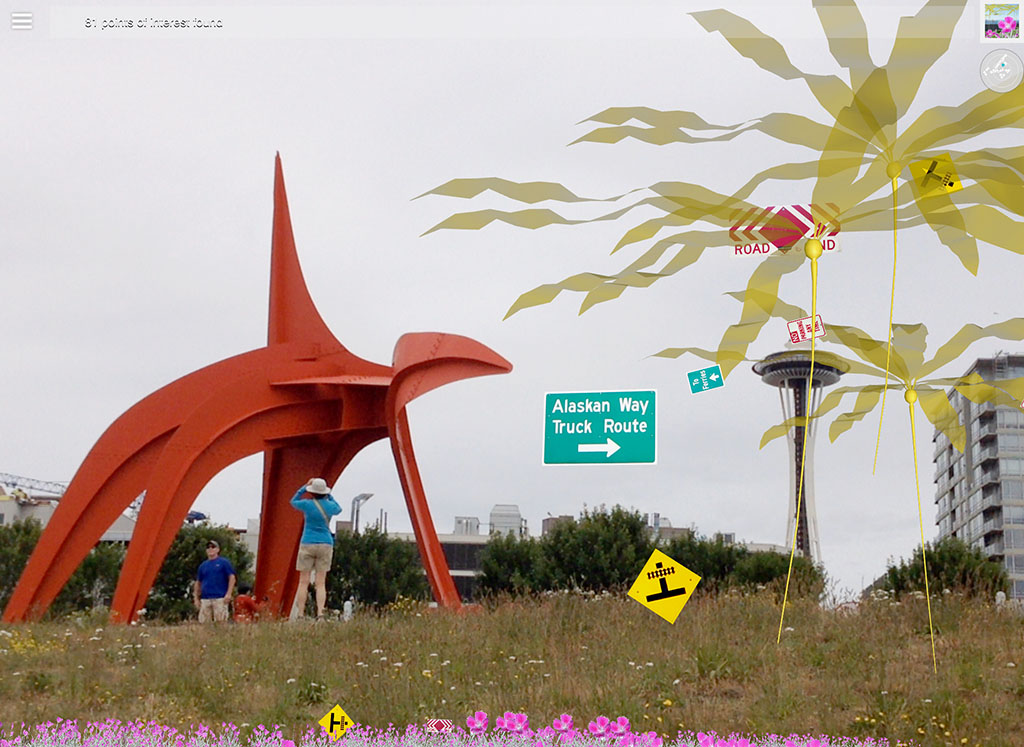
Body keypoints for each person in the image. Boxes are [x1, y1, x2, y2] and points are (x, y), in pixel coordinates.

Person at [289, 477, 341, 621]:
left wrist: (304, 487)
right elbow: (338, 508)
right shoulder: (330, 506)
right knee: (320, 582)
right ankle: (320, 614)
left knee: (303, 581)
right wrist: (329, 495)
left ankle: (300, 614)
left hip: (307, 541)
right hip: (325, 542)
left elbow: (293, 501)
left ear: (311, 492)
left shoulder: (307, 504)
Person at [193, 539, 236, 623]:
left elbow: (232, 577)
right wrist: (196, 598)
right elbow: (198, 582)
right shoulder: (203, 566)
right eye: (208, 547)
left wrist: (229, 593)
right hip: (205, 599)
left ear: (218, 550)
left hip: (220, 598)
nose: (210, 549)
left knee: (220, 622)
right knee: (204, 623)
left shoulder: (224, 563)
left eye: (213, 547)